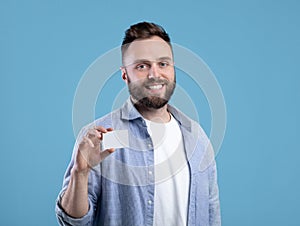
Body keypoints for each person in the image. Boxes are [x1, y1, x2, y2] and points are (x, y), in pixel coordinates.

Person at [55, 21, 221, 226]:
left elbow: (212, 213)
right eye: (142, 66)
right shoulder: (103, 136)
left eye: (163, 64)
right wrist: (79, 173)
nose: (155, 74)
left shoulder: (195, 135)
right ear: (125, 74)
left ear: (173, 69)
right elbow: (73, 222)